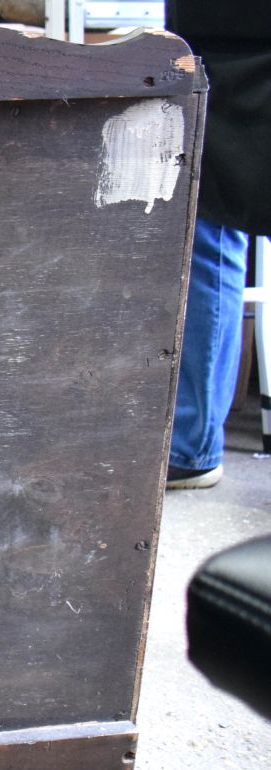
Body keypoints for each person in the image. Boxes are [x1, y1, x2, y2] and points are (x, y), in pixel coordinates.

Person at [164, 1, 271, 488]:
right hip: (222, 41)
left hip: (228, 37)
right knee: (209, 221)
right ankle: (190, 442)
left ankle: (191, 444)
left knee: (209, 226)